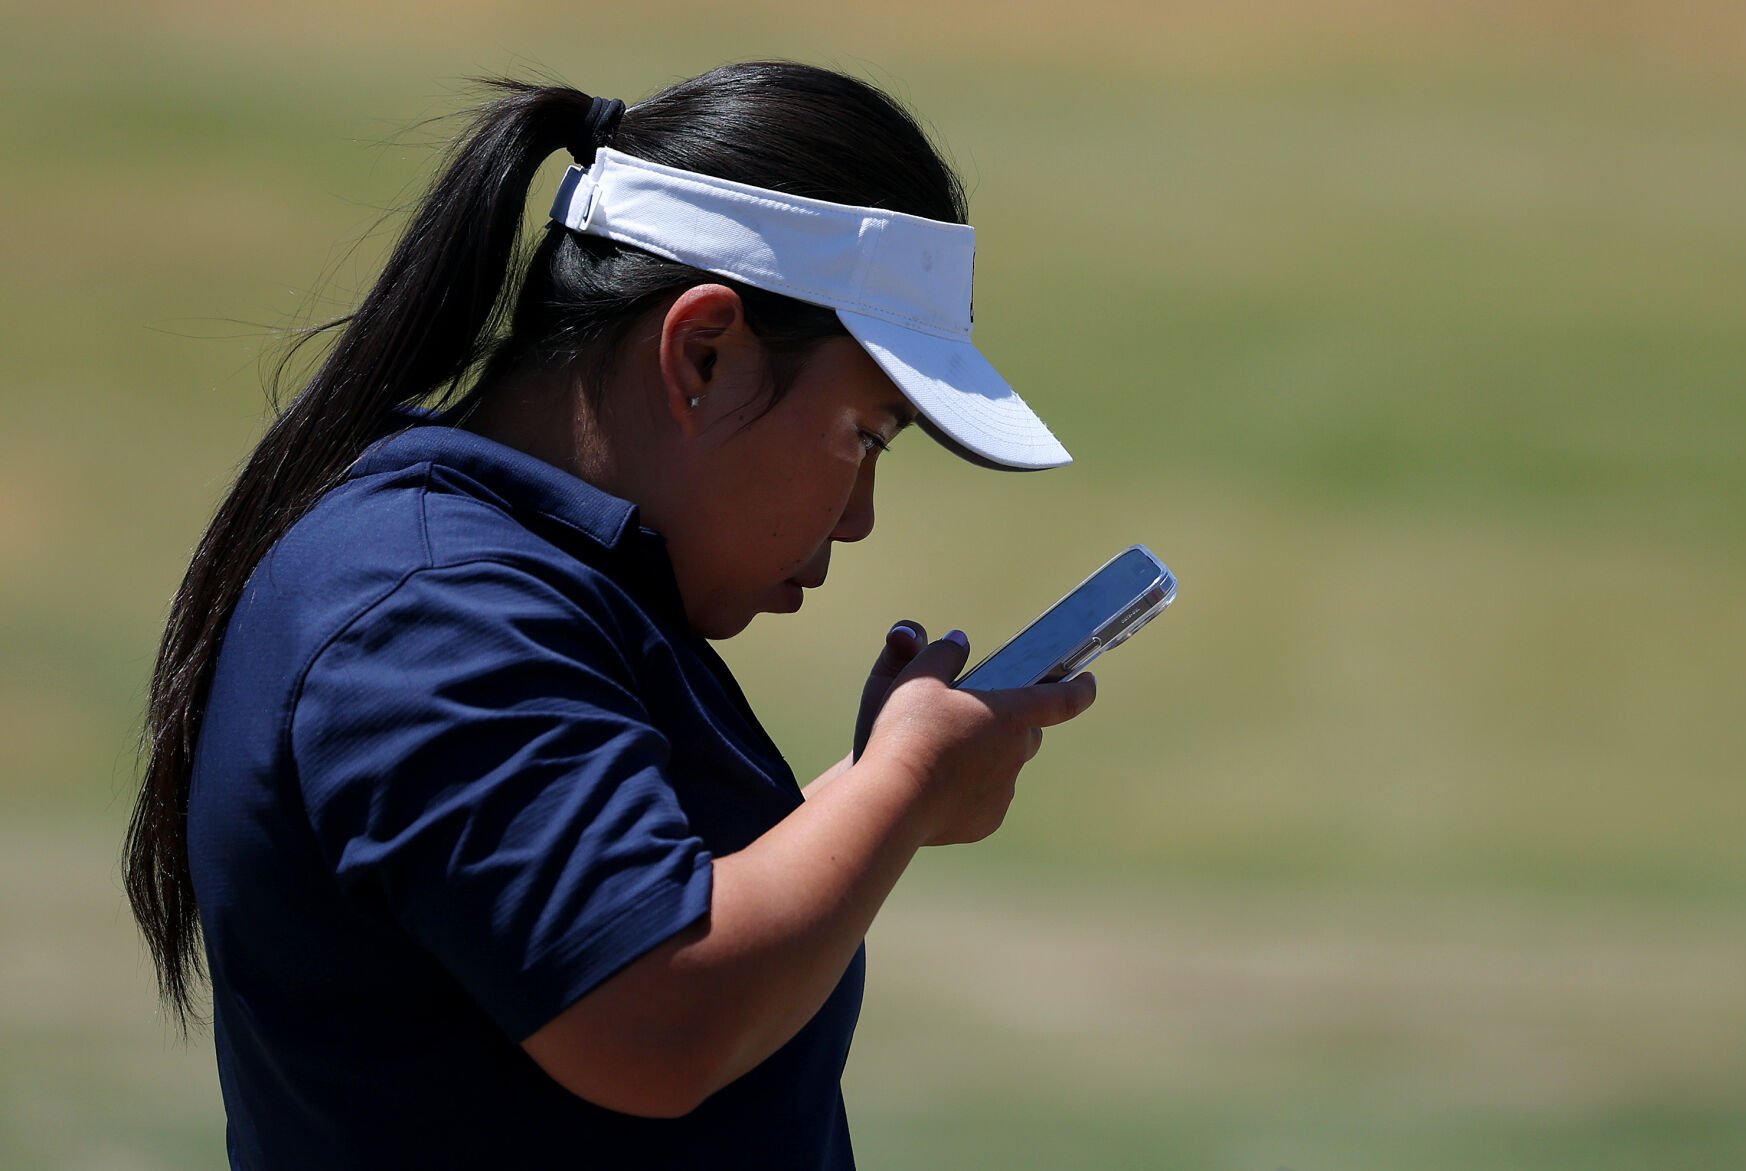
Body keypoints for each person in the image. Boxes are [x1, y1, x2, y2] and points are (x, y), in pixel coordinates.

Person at [124, 61, 1097, 1168]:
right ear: (704, 353)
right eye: (865, 437)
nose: (861, 515)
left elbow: (646, 911)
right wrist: (901, 788)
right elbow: (657, 1021)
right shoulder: (438, 614)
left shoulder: (514, 583)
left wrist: (864, 799)